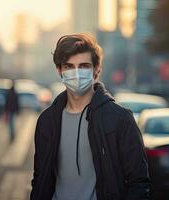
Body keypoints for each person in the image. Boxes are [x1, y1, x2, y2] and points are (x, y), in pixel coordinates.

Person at [30, 33, 150, 200]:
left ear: (96, 69)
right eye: (69, 66)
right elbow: (40, 180)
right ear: (59, 70)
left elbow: (138, 182)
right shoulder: (47, 121)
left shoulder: (120, 119)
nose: (76, 73)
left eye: (84, 66)